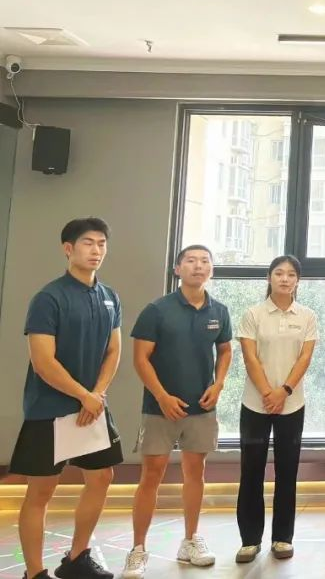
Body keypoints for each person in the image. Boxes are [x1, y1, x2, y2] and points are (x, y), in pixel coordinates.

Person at [11, 218, 122, 579]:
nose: (96, 250)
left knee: (101, 477)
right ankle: (34, 572)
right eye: (88, 243)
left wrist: (97, 395)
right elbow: (43, 362)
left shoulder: (110, 297)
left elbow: (113, 351)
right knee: (41, 491)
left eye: (101, 243)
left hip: (93, 406)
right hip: (51, 409)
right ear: (68, 249)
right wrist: (83, 395)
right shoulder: (49, 298)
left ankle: (76, 559)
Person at [122, 245, 232, 578]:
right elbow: (140, 358)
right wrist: (162, 396)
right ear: (177, 269)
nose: (198, 266)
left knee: (195, 473)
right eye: (191, 261)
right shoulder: (157, 310)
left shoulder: (219, 310)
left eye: (205, 262)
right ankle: (137, 549)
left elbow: (225, 350)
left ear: (211, 270)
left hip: (202, 407)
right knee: (151, 475)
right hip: (160, 409)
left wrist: (219, 384)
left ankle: (190, 541)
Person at [234, 255, 317, 564]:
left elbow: (305, 358)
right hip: (255, 404)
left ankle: (283, 537)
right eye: (279, 273)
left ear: (298, 280)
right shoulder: (253, 314)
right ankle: (249, 540)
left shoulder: (307, 315)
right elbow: (250, 357)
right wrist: (268, 393)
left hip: (292, 404)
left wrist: (284, 392)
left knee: (287, 471)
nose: (285, 279)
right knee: (251, 471)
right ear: (269, 278)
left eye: (291, 274)